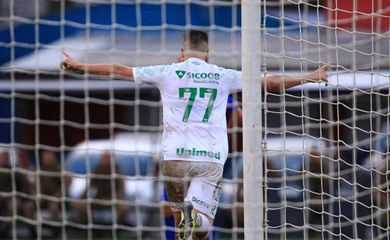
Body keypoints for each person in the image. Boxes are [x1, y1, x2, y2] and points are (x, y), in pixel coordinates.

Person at [61, 29, 328, 240]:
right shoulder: (224, 75)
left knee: (182, 230)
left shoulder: (166, 72)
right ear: (207, 53)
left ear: (181, 51)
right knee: (201, 230)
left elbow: (119, 70)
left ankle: (189, 215)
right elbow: (269, 83)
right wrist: (310, 76)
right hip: (209, 160)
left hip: (174, 158)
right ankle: (196, 217)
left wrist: (80, 66)